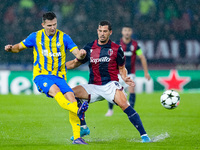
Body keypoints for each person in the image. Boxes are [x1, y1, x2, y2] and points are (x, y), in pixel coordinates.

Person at [4, 12, 89, 145]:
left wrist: (82, 54)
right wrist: (10, 48)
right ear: (43, 25)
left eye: (54, 24)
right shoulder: (35, 36)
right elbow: (18, 48)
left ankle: (77, 137)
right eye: (49, 25)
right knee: (56, 92)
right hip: (41, 75)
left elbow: (76, 52)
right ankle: (76, 110)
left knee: (72, 97)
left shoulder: (64, 38)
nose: (52, 27)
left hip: (59, 76)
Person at [66, 20, 151, 143]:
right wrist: (59, 67)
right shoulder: (89, 47)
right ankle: (83, 127)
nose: (102, 34)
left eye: (105, 31)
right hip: (93, 86)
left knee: (124, 105)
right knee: (70, 94)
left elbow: (121, 68)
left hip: (110, 84)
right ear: (97, 31)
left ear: (110, 32)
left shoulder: (117, 49)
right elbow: (75, 63)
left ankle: (144, 135)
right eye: (100, 31)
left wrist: (125, 77)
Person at [105, 25, 151, 117]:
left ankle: (131, 111)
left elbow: (142, 57)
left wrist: (146, 72)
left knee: (131, 88)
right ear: (122, 32)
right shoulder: (117, 44)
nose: (127, 32)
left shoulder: (135, 45)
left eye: (129, 30)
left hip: (130, 72)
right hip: (117, 73)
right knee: (112, 91)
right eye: (125, 30)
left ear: (131, 32)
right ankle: (110, 110)